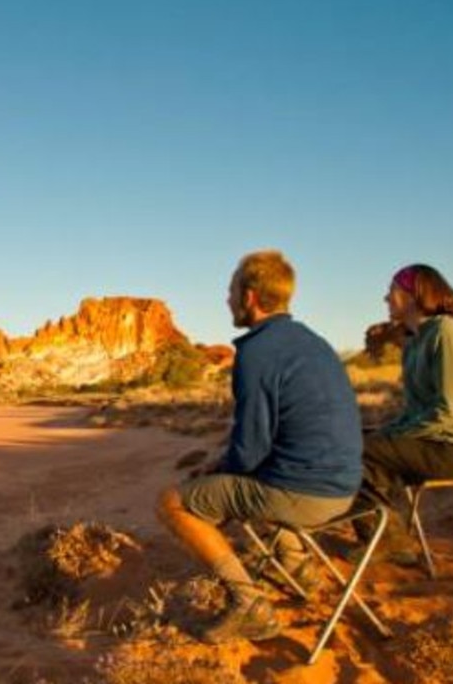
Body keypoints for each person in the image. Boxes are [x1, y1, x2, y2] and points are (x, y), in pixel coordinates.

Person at [156, 250, 364, 643]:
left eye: (231, 290)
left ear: (249, 296)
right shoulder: (312, 341)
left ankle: (249, 604)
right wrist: (224, 465)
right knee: (251, 477)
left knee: (172, 502)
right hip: (345, 489)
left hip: (307, 495)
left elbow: (250, 449)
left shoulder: (256, 353)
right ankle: (295, 562)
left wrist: (216, 469)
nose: (227, 299)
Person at [361, 264, 453, 561]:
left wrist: (392, 436)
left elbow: (450, 410)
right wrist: (388, 431)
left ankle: (390, 539)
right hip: (441, 441)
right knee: (353, 440)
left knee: (363, 449)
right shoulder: (414, 342)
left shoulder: (448, 332)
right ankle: (390, 533)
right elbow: (415, 410)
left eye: (392, 291)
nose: (385, 298)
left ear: (414, 294)